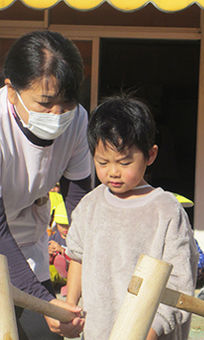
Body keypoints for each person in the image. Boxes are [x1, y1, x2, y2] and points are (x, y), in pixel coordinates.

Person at [65, 95, 199, 340]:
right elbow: (77, 258)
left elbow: (180, 283)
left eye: (125, 162)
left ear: (150, 155)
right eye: (103, 162)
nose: (113, 172)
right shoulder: (89, 206)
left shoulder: (166, 210)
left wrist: (150, 330)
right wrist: (69, 307)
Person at [0, 30, 92, 338]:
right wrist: (46, 303)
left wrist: (70, 297)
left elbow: (79, 203)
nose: (58, 114)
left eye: (66, 103)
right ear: (11, 90)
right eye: (45, 102)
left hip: (27, 245)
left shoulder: (77, 120)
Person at [48, 199, 71, 296]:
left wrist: (62, 250)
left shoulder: (76, 238)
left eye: (68, 225)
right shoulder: (55, 237)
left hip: (72, 271)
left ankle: (70, 285)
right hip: (58, 272)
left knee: (60, 259)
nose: (65, 229)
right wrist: (49, 253)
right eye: (62, 225)